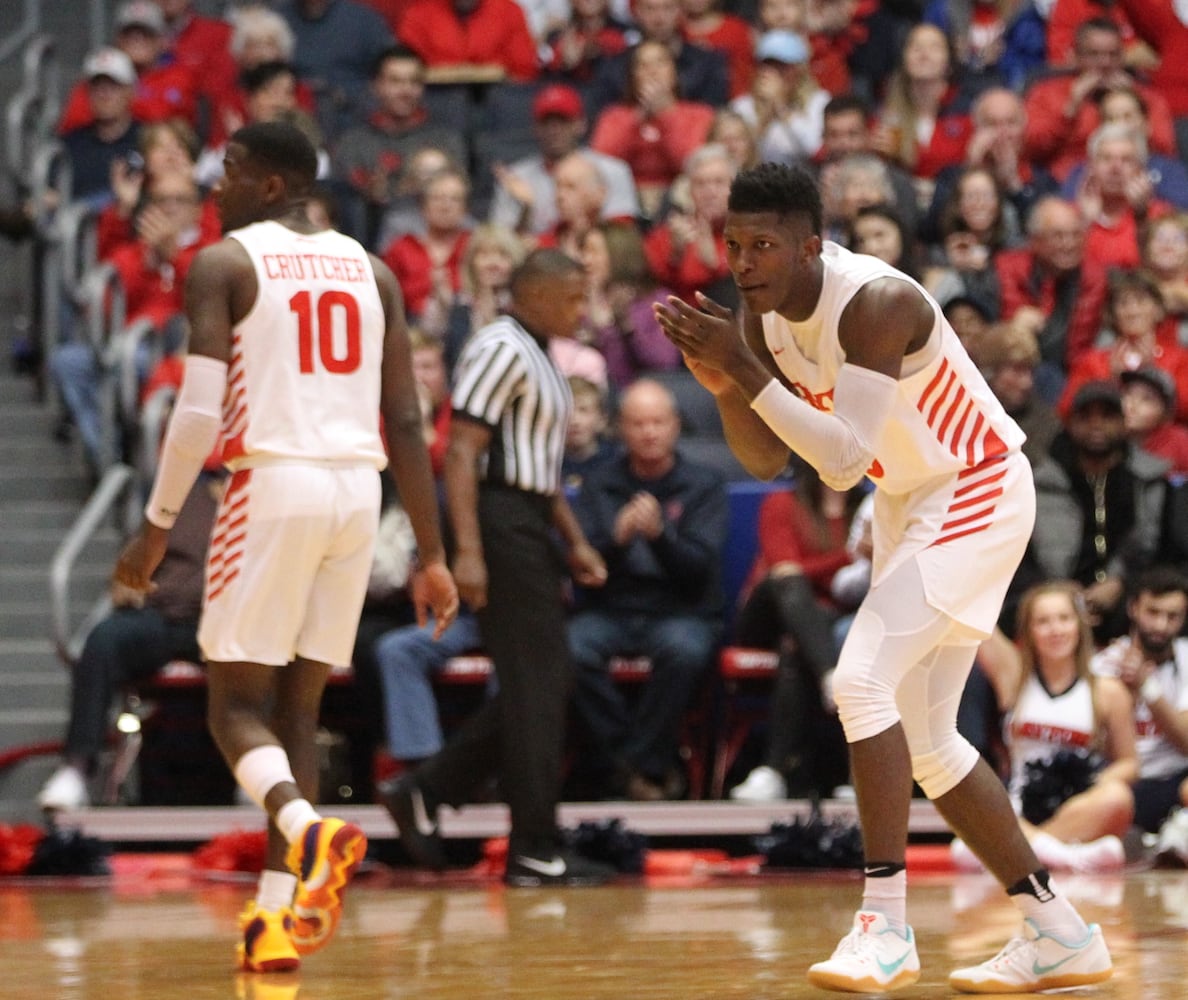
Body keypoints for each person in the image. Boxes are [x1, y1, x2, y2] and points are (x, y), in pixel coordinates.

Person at [654, 162, 1112, 993]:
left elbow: (838, 462)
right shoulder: (757, 324)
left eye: (764, 246)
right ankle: (1059, 930)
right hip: (911, 497)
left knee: (859, 680)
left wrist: (746, 372)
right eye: (733, 245)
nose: (745, 262)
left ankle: (885, 925)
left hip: (975, 481)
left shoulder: (877, 302)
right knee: (930, 745)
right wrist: (723, 379)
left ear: (811, 246)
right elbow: (764, 453)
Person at [112, 121, 458, 973]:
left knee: (232, 707)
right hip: (356, 491)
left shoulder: (224, 262)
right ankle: (276, 915)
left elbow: (197, 416)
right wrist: (434, 552)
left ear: (271, 185)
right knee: (298, 707)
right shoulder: (373, 271)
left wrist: (157, 525)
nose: (213, 185)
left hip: (272, 483)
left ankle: (306, 831)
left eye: (228, 170)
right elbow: (408, 418)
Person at [382, 249, 617, 887]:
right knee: (540, 685)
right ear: (535, 295)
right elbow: (462, 453)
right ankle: (533, 846)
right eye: (571, 297)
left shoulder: (541, 353)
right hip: (498, 524)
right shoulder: (500, 346)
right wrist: (466, 553)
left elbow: (537, 470)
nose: (580, 309)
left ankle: (427, 790)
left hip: (529, 521)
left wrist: (574, 541)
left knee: (540, 684)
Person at [567, 378, 728, 801]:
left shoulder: (704, 485)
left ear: (675, 426)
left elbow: (699, 570)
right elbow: (581, 567)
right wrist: (614, 543)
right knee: (568, 649)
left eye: (658, 422)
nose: (649, 432)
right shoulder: (598, 485)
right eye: (638, 424)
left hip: (681, 610)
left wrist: (661, 536)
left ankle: (625, 767)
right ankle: (640, 766)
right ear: (621, 429)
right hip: (612, 609)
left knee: (685, 651)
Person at [37, 471, 222, 812]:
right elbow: (134, 558)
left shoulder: (261, 491)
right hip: (163, 615)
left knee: (260, 654)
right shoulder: (174, 493)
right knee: (104, 639)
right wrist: (126, 578)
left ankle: (253, 778)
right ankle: (76, 769)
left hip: (228, 621)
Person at [950, 580, 1137, 874]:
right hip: (1019, 805)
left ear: (1079, 625)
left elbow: (1129, 763)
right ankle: (1066, 857)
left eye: (1064, 619)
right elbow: (977, 620)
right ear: (1028, 631)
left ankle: (1015, 855)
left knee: (1117, 797)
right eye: (1043, 621)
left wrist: (1098, 785)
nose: (1055, 630)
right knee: (973, 804)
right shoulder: (1014, 677)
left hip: (1079, 804)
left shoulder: (1107, 690)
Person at [1091, 568, 1188, 849]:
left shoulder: (1186, 657)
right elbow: (1093, 746)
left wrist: (1148, 689)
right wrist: (1125, 701)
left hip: (1174, 779)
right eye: (1153, 613)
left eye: (1172, 617)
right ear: (1134, 609)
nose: (1161, 625)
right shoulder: (1101, 666)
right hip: (1126, 781)